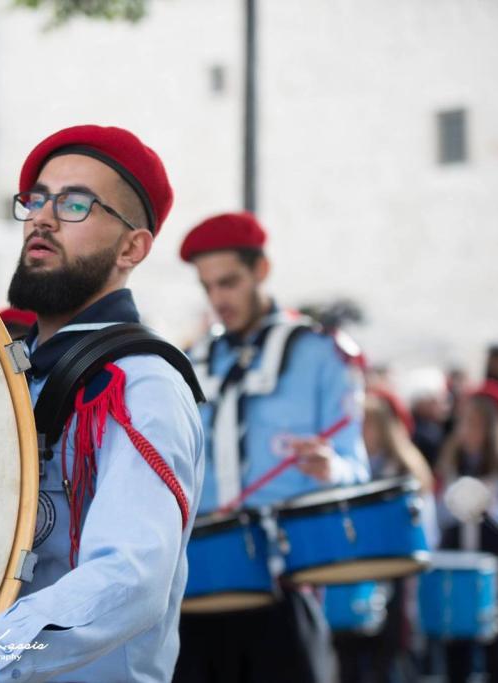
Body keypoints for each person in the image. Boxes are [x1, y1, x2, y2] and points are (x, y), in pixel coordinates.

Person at [0, 125, 205, 682]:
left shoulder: (141, 384)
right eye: (36, 199)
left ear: (132, 247)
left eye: (75, 203)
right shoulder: (6, 375)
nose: (43, 217)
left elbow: (132, 576)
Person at [173, 211, 370, 683]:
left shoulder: (322, 354)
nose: (219, 299)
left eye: (230, 282)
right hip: (198, 581)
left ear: (261, 270)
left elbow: (355, 469)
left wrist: (331, 468)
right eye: (208, 288)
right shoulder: (192, 359)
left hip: (286, 582)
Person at [331, 387, 437, 683]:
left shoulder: (403, 470)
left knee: (389, 656)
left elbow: (422, 532)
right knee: (349, 655)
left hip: (395, 574)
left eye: (366, 423)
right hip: (356, 574)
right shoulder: (353, 470)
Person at [434, 380, 498, 683]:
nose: (466, 431)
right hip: (457, 567)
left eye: (474, 424)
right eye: (463, 423)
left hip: (493, 566)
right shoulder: (451, 465)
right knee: (456, 648)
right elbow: (437, 517)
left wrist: (485, 503)